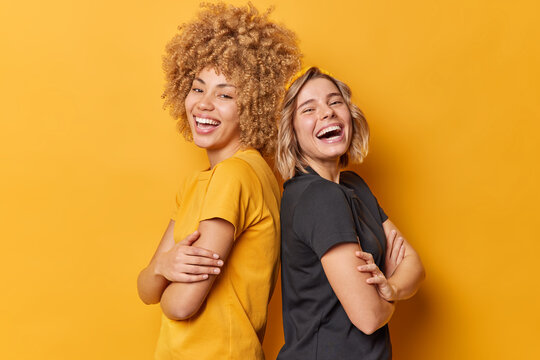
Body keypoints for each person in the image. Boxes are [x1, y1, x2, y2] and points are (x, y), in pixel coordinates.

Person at [136, 3, 300, 359]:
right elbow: (146, 288)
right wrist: (162, 268)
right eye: (198, 89)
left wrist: (161, 274)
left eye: (225, 95)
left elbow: (180, 304)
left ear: (254, 105)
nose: (204, 105)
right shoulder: (204, 182)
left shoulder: (236, 175)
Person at [275, 67, 425, 360]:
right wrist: (390, 293)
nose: (327, 113)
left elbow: (415, 266)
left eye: (334, 101)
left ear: (349, 114)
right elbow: (369, 317)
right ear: (291, 132)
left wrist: (391, 286)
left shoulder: (353, 186)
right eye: (309, 109)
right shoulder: (319, 197)